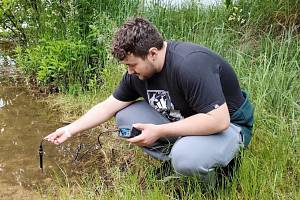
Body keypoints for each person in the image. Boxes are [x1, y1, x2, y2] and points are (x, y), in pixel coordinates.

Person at [45, 17, 254, 178]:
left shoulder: (189, 64)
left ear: (152, 53)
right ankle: (176, 161)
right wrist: (70, 129)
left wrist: (160, 130)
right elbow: (107, 107)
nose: (129, 71)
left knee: (186, 157)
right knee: (125, 118)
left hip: (230, 126)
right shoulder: (138, 73)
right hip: (187, 119)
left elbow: (219, 120)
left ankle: (216, 180)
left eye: (132, 65)